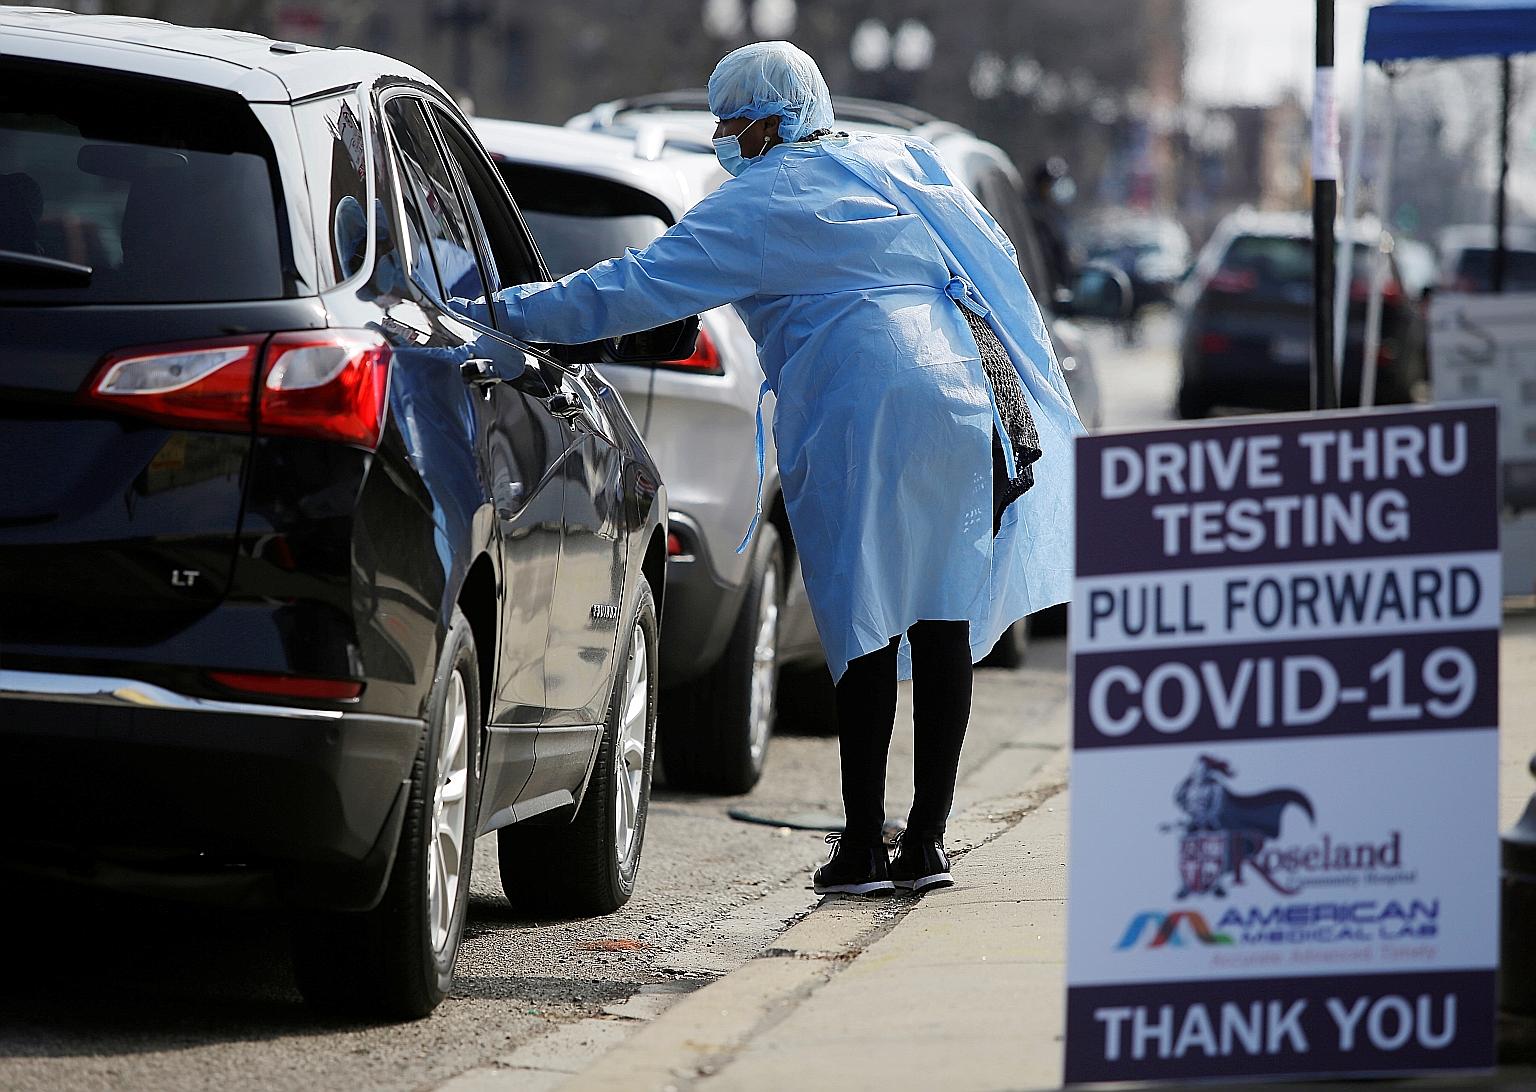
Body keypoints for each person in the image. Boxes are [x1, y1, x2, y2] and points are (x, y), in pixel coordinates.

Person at [491, 42, 1082, 896]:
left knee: (860, 617)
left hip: (860, 403)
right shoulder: (893, 165)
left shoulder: (757, 204)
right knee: (943, 614)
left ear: (771, 122)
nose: (723, 136)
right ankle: (925, 843)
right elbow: (989, 252)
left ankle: (861, 849)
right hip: (958, 398)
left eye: (732, 120)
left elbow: (633, 287)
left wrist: (504, 311)